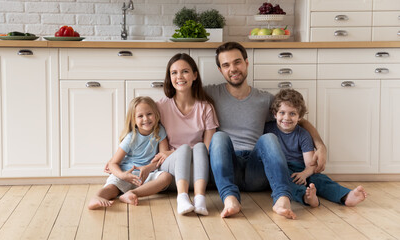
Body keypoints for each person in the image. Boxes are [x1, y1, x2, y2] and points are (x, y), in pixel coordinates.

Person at [205, 42, 327, 219]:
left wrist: (320, 146)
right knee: (219, 137)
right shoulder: (210, 93)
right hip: (228, 166)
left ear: (246, 63)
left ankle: (282, 199)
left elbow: (297, 120)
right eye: (226, 65)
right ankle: (230, 199)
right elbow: (182, 95)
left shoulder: (265, 99)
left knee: (269, 138)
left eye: (237, 62)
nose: (233, 68)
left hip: (257, 169)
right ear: (220, 70)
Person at [265, 89, 367, 207]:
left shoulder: (303, 134)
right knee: (288, 180)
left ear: (300, 117)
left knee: (321, 180)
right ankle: (306, 197)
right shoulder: (268, 129)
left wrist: (304, 174)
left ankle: (346, 196)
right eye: (282, 112)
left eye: (292, 113)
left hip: (301, 168)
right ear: (274, 114)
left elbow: (311, 164)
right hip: (281, 167)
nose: (286, 118)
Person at [152, 53, 219, 215]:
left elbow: (208, 148)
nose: (179, 77)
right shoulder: (160, 106)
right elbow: (162, 151)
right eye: (174, 73)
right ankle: (182, 198)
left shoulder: (206, 107)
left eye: (185, 71)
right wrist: (174, 152)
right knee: (184, 149)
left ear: (195, 75)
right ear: (169, 77)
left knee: (200, 147)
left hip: (198, 167)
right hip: (170, 166)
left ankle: (200, 199)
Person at [88, 96, 172, 210]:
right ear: (134, 119)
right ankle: (97, 197)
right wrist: (123, 175)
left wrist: (148, 168)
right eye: (140, 116)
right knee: (112, 188)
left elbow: (163, 157)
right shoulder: (131, 137)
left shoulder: (160, 131)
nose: (146, 119)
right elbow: (113, 163)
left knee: (166, 177)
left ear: (156, 114)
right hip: (127, 172)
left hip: (147, 174)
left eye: (149, 114)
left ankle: (132, 193)